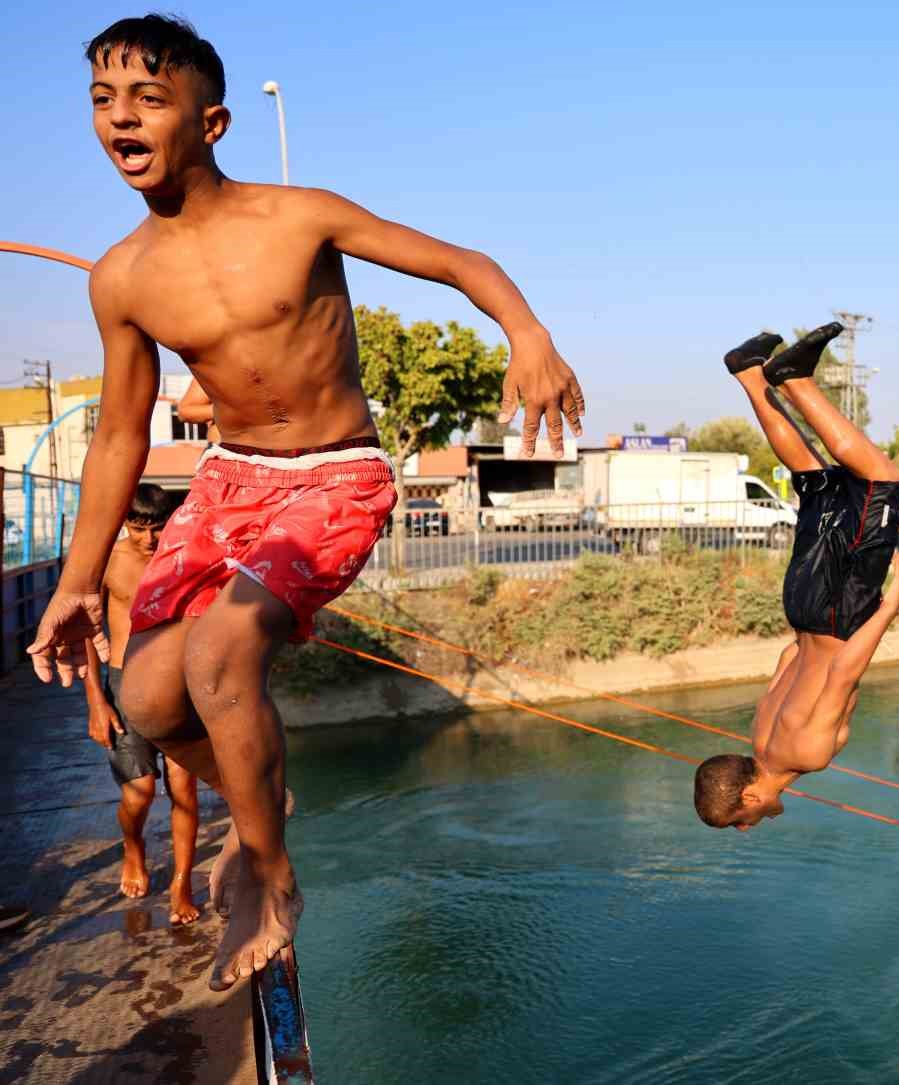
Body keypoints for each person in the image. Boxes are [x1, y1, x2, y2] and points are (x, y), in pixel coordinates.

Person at [28, 14, 584, 993]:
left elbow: (463, 262)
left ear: (214, 122)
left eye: (148, 98)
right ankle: (262, 788)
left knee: (221, 646)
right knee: (147, 697)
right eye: (103, 101)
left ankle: (267, 869)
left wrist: (525, 329)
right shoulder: (122, 277)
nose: (120, 117)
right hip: (229, 478)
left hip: (335, 473)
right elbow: (119, 433)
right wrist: (77, 580)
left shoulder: (300, 216)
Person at [694, 326, 899, 830]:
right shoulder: (760, 738)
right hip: (800, 608)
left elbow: (842, 673)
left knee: (883, 481)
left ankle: (796, 381)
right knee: (817, 482)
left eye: (740, 819)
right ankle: (751, 373)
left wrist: (891, 603)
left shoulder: (808, 755)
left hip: (839, 614)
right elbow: (788, 658)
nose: (748, 826)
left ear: (749, 794)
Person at [82, 484, 202, 924]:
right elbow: (84, 632)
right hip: (123, 681)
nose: (149, 540)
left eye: (157, 528)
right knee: (140, 793)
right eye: (138, 528)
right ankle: (134, 848)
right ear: (125, 522)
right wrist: (96, 699)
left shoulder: (183, 556)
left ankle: (181, 883)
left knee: (184, 790)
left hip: (177, 682)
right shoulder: (109, 561)